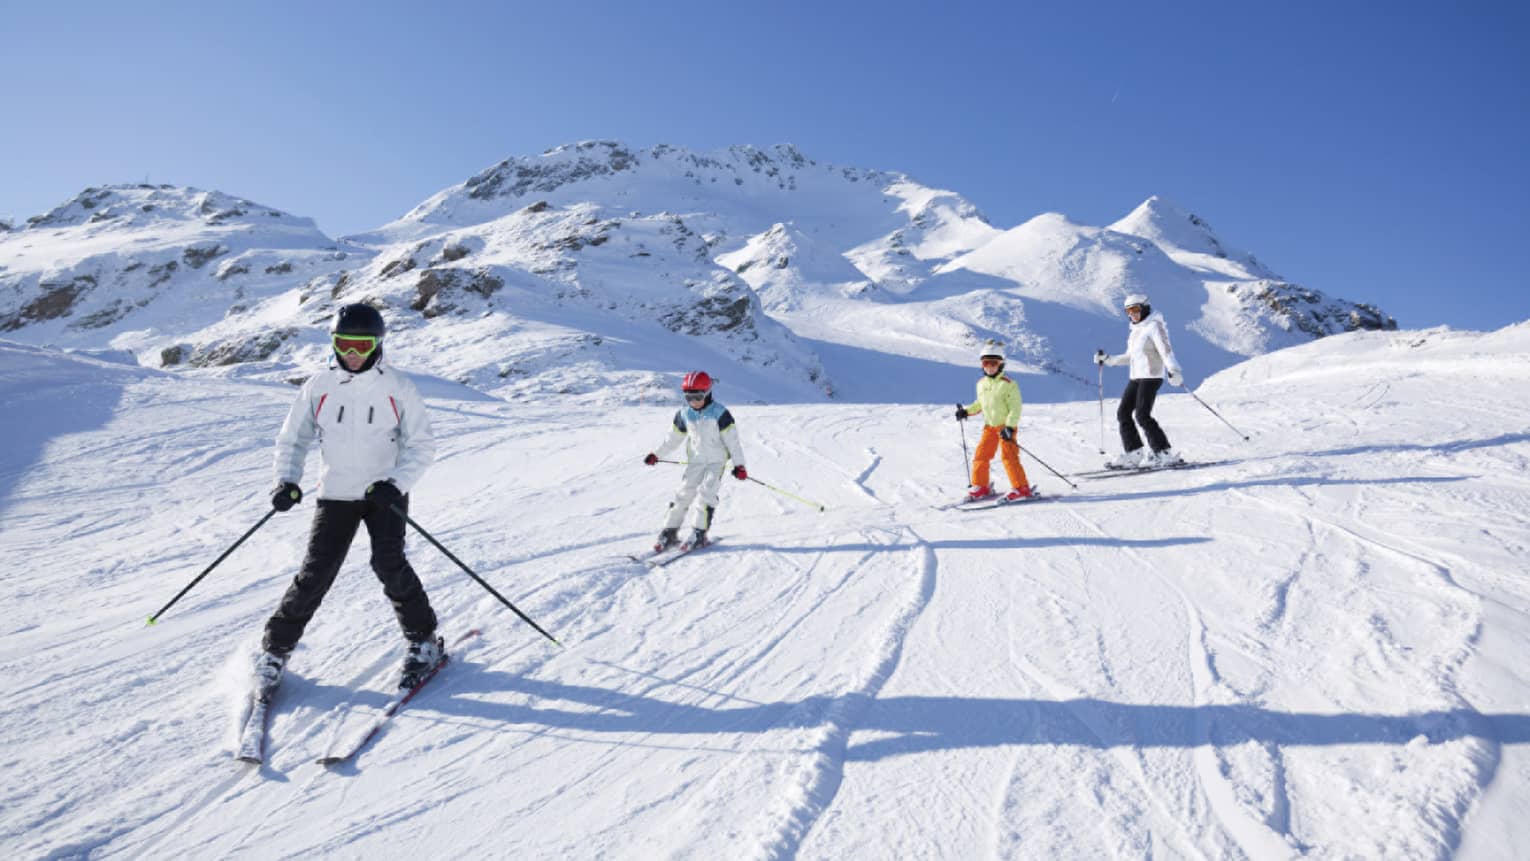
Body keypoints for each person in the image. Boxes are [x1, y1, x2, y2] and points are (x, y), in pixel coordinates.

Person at [253, 302, 443, 694]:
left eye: (361, 344)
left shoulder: (398, 388)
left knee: (389, 563)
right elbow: (294, 439)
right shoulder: (318, 387)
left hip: (383, 493)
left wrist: (397, 481)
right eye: (344, 343)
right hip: (336, 492)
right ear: (334, 343)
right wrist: (285, 481)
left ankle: (423, 641)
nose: (352, 353)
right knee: (315, 573)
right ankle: (275, 650)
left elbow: (421, 445)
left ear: (377, 344)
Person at [642, 371, 748, 551]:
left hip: (716, 463)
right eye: (688, 397)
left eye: (697, 396)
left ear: (707, 393)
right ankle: (669, 531)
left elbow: (732, 441)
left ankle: (699, 533)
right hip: (696, 462)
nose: (693, 401)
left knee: (706, 494)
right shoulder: (684, 414)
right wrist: (657, 455)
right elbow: (672, 439)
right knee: (682, 494)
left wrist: (739, 465)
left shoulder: (720, 413)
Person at [1095, 293, 1185, 468]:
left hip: (1151, 377)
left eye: (1136, 309)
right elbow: (1131, 357)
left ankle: (1163, 453)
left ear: (1144, 308)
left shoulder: (1154, 326)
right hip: (1136, 377)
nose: (1132, 314)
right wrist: (1108, 359)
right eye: (1129, 311)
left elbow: (1166, 351)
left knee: (1142, 415)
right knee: (1123, 414)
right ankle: (1134, 453)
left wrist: (1174, 370)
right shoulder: (1136, 331)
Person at [955, 340, 1032, 502]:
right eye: (985, 363)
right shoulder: (981, 384)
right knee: (981, 456)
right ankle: (981, 486)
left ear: (1001, 364)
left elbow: (1015, 408)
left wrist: (1010, 427)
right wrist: (966, 412)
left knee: (1009, 457)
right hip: (989, 427)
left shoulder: (1008, 384)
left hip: (1005, 427)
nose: (989, 366)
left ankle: (1021, 488)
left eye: (993, 363)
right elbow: (980, 404)